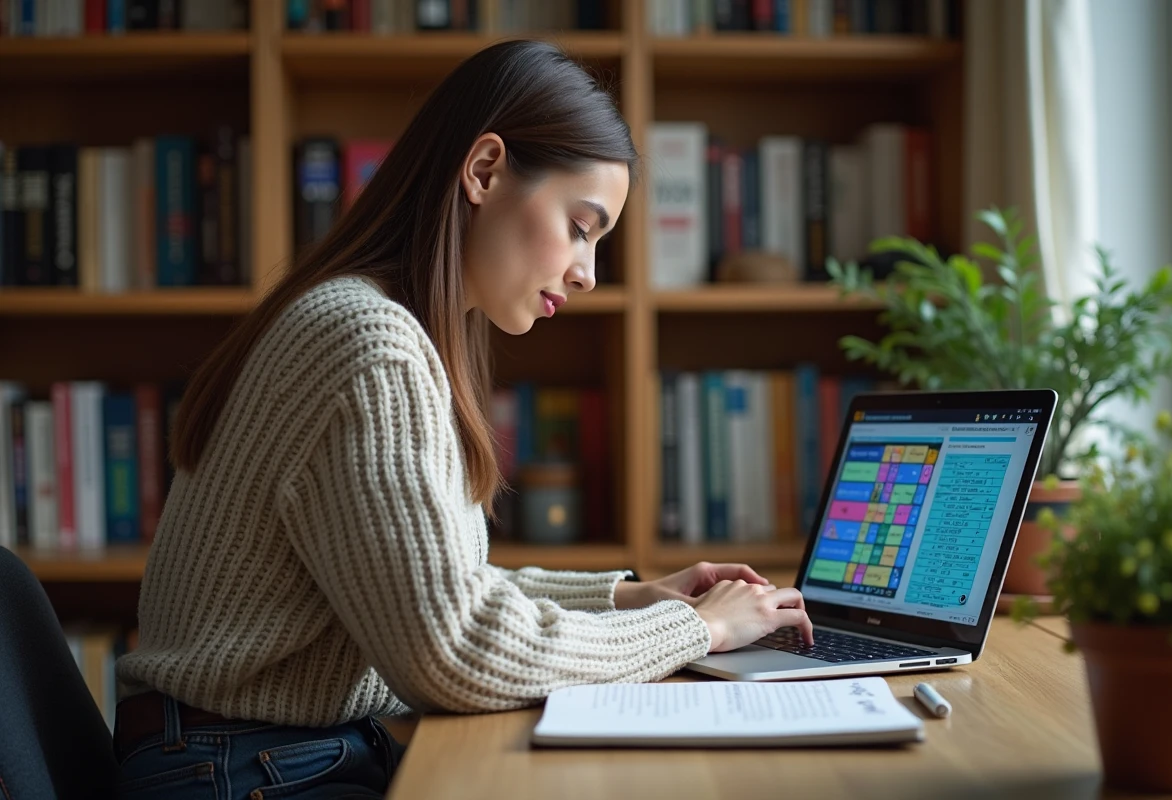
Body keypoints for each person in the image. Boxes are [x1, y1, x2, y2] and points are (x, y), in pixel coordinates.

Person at [111, 39, 814, 799]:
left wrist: (627, 597)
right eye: (581, 227)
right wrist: (699, 630)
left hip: (250, 753)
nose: (588, 272)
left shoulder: (364, 318)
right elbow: (453, 649)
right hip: (239, 770)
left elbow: (435, 590)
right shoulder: (369, 342)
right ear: (484, 172)